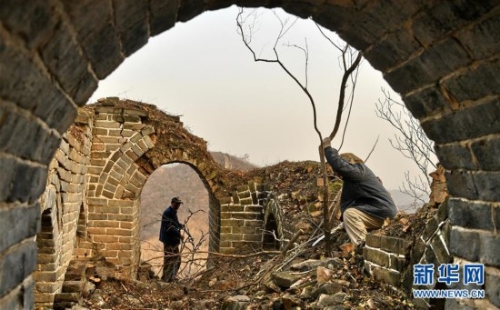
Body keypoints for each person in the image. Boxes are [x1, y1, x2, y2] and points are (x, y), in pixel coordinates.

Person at [322, 137, 397, 249]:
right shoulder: (357, 179)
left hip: (381, 212)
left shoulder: (358, 171)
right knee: (349, 214)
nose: (338, 174)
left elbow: (339, 165)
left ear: (349, 162)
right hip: (379, 212)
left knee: (350, 214)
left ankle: (363, 248)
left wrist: (327, 149)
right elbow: (358, 203)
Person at [159, 197, 184, 282]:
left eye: (179, 204)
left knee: (174, 259)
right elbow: (169, 227)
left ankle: (170, 277)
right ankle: (167, 279)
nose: (178, 206)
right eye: (176, 204)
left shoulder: (172, 212)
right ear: (172, 203)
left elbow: (173, 224)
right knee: (171, 260)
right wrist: (179, 234)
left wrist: (179, 225)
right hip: (169, 241)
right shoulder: (168, 212)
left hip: (173, 241)